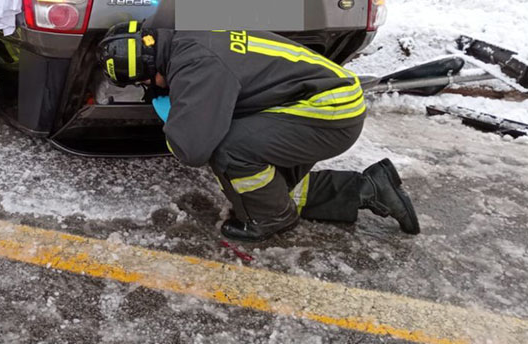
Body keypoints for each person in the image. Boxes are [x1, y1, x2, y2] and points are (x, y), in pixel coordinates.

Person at [97, 21, 420, 242]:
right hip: (327, 99)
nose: (147, 88)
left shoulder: (196, 66)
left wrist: (169, 112)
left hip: (329, 110)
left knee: (229, 150)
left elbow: (192, 149)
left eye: (144, 82)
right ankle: (368, 188)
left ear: (149, 68)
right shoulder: (188, 37)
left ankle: (272, 218)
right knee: (264, 185)